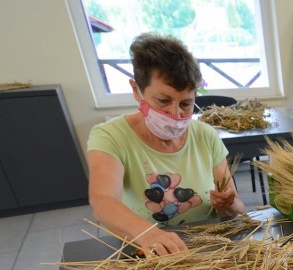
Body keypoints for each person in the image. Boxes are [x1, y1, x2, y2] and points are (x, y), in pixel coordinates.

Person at [87, 33, 245, 255]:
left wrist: (228, 206)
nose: (175, 113)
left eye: (186, 104)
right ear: (136, 91)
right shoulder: (110, 136)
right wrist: (149, 234)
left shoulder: (205, 135)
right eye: (163, 101)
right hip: (145, 252)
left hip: (208, 248)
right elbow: (102, 201)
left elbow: (237, 206)